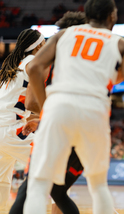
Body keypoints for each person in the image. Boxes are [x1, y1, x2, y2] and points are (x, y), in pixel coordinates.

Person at [23, 0, 124, 213]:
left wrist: (47, 109)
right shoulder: (123, 45)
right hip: (95, 111)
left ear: (87, 16)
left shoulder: (63, 35)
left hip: (59, 107)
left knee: (39, 184)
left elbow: (34, 67)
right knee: (98, 186)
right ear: (113, 17)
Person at [9, 11, 86, 214]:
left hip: (52, 127)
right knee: (63, 192)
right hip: (90, 129)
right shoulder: (103, 57)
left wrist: (45, 116)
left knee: (30, 189)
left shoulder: (39, 62)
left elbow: (33, 102)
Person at [0, 28, 45, 210]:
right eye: (44, 43)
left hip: (3, 127)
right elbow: (34, 103)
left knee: (2, 181)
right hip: (13, 129)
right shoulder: (35, 62)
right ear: (38, 46)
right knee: (53, 170)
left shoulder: (10, 65)